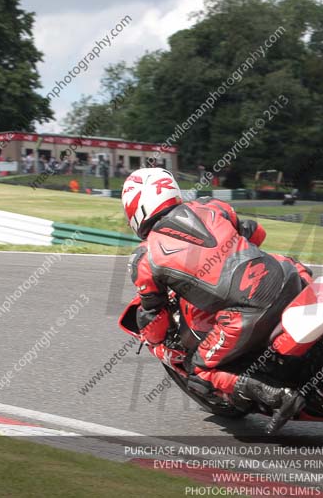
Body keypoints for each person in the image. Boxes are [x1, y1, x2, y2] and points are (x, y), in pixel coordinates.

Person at [121, 168, 312, 433]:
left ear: (134, 208)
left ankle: (275, 394)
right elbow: (257, 234)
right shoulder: (212, 206)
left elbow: (156, 316)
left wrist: (152, 339)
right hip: (285, 277)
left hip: (246, 312)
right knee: (289, 262)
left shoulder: (145, 256)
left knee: (198, 370)